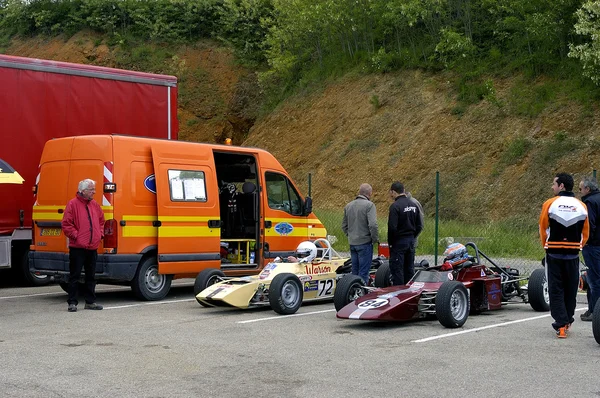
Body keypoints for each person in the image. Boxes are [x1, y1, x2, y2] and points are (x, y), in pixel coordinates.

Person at [539, 173, 589, 338]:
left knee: (556, 289)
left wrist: (547, 246)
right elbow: (586, 232)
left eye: (554, 184)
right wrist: (578, 246)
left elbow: (543, 228)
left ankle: (561, 324)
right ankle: (567, 320)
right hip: (573, 254)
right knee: (570, 288)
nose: (552, 187)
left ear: (561, 186)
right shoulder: (582, 205)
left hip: (554, 254)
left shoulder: (549, 204)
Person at [61, 179, 105, 312]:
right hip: (77, 248)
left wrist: (99, 235)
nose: (94, 192)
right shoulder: (72, 204)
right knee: (74, 275)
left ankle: (90, 302)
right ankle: (72, 302)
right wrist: (77, 236)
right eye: (91, 189)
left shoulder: (95, 205)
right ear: (83, 191)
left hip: (92, 247)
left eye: (94, 189)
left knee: (91, 276)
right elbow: (66, 224)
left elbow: (101, 221)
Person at [342, 183, 378, 284]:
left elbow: (344, 226)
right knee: (363, 273)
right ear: (369, 193)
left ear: (359, 192)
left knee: (355, 271)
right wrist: (374, 239)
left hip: (353, 243)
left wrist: (351, 235)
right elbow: (373, 225)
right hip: (365, 243)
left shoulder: (348, 206)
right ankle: (362, 294)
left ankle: (353, 292)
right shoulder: (369, 205)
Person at [387, 181, 423, 285]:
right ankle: (410, 293)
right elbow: (419, 225)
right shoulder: (413, 205)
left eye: (391, 192)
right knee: (409, 269)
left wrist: (391, 243)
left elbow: (392, 228)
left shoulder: (395, 206)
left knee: (397, 270)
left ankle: (399, 295)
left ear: (394, 192)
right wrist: (412, 236)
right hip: (410, 241)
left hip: (398, 242)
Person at [579, 176, 600, 321]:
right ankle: (592, 310)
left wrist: (584, 241)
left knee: (594, 280)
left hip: (592, 246)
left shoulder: (589, 202)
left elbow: (589, 225)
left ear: (587, 189)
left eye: (580, 189)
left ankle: (594, 311)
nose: (579, 192)